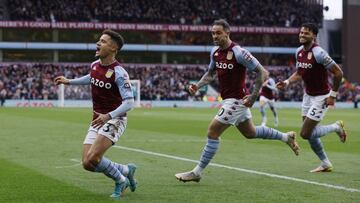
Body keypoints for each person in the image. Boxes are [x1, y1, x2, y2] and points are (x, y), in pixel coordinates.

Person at [175, 19, 300, 183]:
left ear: (227, 33)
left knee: (212, 132)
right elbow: (211, 73)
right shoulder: (215, 52)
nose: (215, 36)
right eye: (213, 33)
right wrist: (197, 86)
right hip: (229, 99)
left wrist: (254, 96)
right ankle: (286, 137)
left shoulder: (239, 52)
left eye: (218, 33)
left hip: (237, 101)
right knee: (251, 133)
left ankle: (197, 172)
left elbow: (263, 72)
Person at [54, 29, 137, 198]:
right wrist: (68, 81)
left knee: (94, 157)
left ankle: (121, 181)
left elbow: (129, 103)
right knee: (87, 163)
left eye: (104, 41)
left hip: (115, 119)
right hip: (97, 118)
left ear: (113, 48)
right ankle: (127, 170)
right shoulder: (94, 65)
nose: (98, 43)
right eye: (99, 40)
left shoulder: (119, 73)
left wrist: (109, 116)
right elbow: (90, 77)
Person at [276, 23, 347, 172]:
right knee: (310, 134)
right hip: (308, 96)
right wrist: (287, 82)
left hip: (322, 96)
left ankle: (336, 127)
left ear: (314, 36)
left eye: (306, 33)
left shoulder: (319, 53)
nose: (302, 35)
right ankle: (325, 163)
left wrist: (332, 95)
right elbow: (299, 73)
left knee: (305, 133)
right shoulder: (299, 52)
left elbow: (338, 73)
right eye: (301, 32)